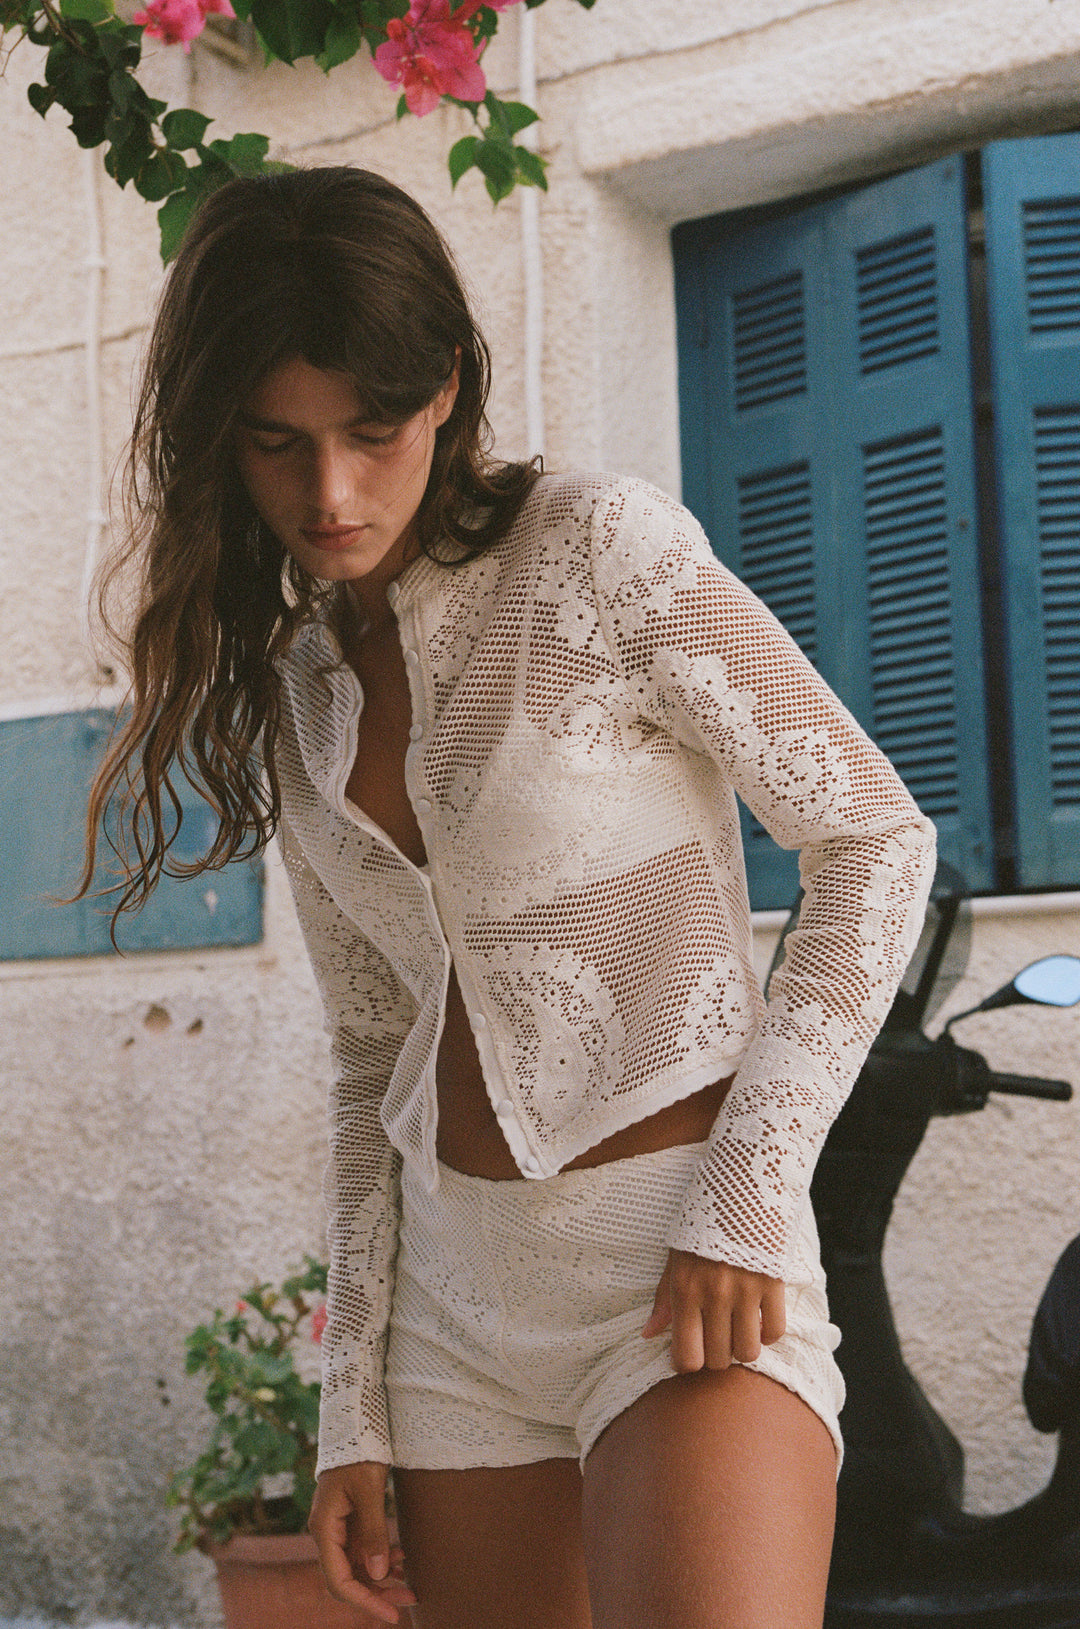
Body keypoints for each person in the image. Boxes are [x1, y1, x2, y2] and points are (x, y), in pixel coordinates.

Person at [82, 165, 936, 1628]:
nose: (329, 493)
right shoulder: (299, 693)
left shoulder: (600, 551)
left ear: (446, 391)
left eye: (372, 432)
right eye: (278, 442)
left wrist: (747, 1194)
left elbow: (871, 837)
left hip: (677, 1270)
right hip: (455, 1325)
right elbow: (372, 1055)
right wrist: (351, 1402)